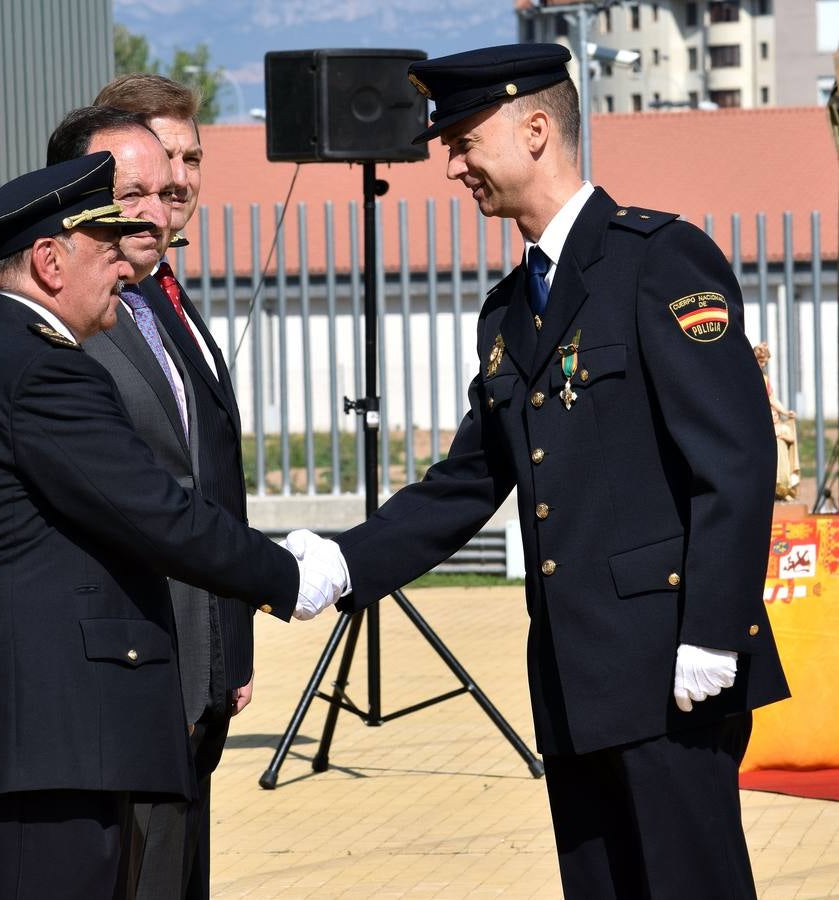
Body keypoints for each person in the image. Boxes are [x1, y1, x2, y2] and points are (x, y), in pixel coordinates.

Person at [288, 44, 789, 899]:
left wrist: (711, 632)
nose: (450, 165)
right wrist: (345, 562)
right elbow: (468, 480)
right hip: (572, 680)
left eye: (462, 140)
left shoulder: (656, 261)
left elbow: (734, 464)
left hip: (673, 670)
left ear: (532, 129)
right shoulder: (511, 307)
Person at [0, 152, 336, 899]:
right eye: (108, 252)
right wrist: (289, 577)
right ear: (49, 260)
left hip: (48, 736)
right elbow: (155, 514)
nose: (127, 271)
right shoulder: (40, 368)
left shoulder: (2, 355)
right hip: (43, 739)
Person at [80, 73, 253, 900]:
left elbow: (211, 472)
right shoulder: (90, 309)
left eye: (189, 158)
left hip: (200, 661)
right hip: (140, 660)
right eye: (151, 168)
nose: (177, 181)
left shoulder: (161, 297)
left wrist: (231, 646)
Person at [753, 341, 800, 500]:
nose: (762, 365)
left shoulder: (764, 379)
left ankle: (784, 487)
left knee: (786, 434)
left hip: (771, 423)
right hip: (758, 424)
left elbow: (772, 399)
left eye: (764, 363)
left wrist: (786, 412)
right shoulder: (747, 378)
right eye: (760, 362)